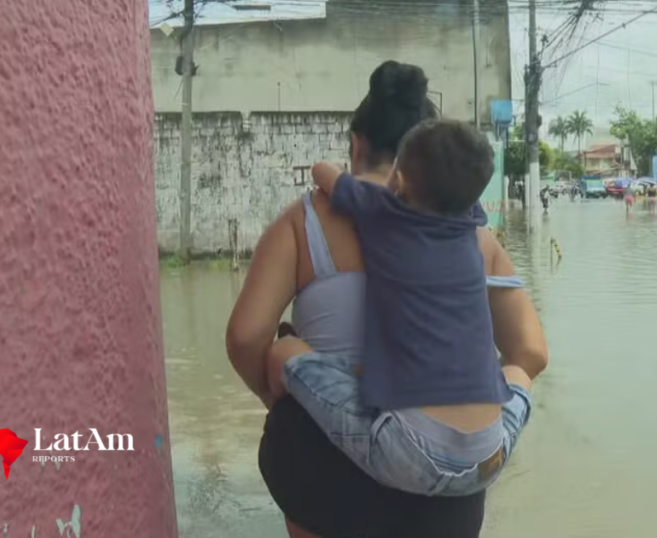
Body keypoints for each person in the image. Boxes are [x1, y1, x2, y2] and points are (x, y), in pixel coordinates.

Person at [226, 60, 548, 538]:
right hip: (450, 485)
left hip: (323, 471)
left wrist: (285, 400)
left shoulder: (307, 219)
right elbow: (531, 353)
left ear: (357, 145)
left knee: (285, 355)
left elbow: (247, 336)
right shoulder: (474, 237)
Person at [264, 120, 533, 497]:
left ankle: (297, 427)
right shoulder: (473, 227)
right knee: (519, 375)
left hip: (410, 453)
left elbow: (323, 173)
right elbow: (531, 354)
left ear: (400, 181)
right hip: (488, 455)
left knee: (283, 351)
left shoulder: (383, 212)